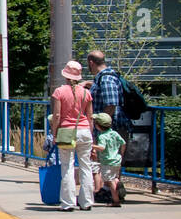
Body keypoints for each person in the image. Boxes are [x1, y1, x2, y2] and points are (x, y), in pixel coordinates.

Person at [50, 59, 94, 211]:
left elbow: (56, 115)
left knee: (67, 166)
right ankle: (86, 201)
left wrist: (54, 133)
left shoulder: (59, 92)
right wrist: (91, 134)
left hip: (67, 131)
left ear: (66, 76)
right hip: (85, 131)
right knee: (86, 166)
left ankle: (68, 203)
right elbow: (90, 116)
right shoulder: (86, 93)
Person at [90, 112, 125, 207]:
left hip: (107, 161)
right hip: (117, 160)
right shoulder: (114, 133)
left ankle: (116, 200)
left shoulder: (102, 136)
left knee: (110, 181)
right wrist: (121, 154)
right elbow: (123, 143)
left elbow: (102, 148)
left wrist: (91, 145)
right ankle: (118, 185)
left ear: (98, 126)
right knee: (114, 178)